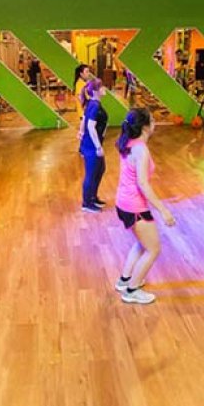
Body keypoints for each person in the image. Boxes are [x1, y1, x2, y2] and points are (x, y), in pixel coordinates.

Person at [114, 108, 176, 304]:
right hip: (134, 206)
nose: (155, 123)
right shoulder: (141, 149)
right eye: (152, 120)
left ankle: (125, 280)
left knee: (143, 244)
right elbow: (142, 183)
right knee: (153, 249)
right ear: (144, 127)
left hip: (123, 203)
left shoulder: (128, 143)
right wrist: (163, 210)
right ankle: (131, 291)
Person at [79, 79, 108, 213]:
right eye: (102, 87)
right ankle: (87, 203)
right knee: (91, 173)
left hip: (91, 143)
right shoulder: (95, 105)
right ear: (96, 91)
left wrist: (81, 131)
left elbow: (84, 119)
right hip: (91, 146)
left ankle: (93, 197)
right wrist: (98, 147)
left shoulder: (92, 103)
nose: (105, 89)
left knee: (100, 169)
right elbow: (91, 126)